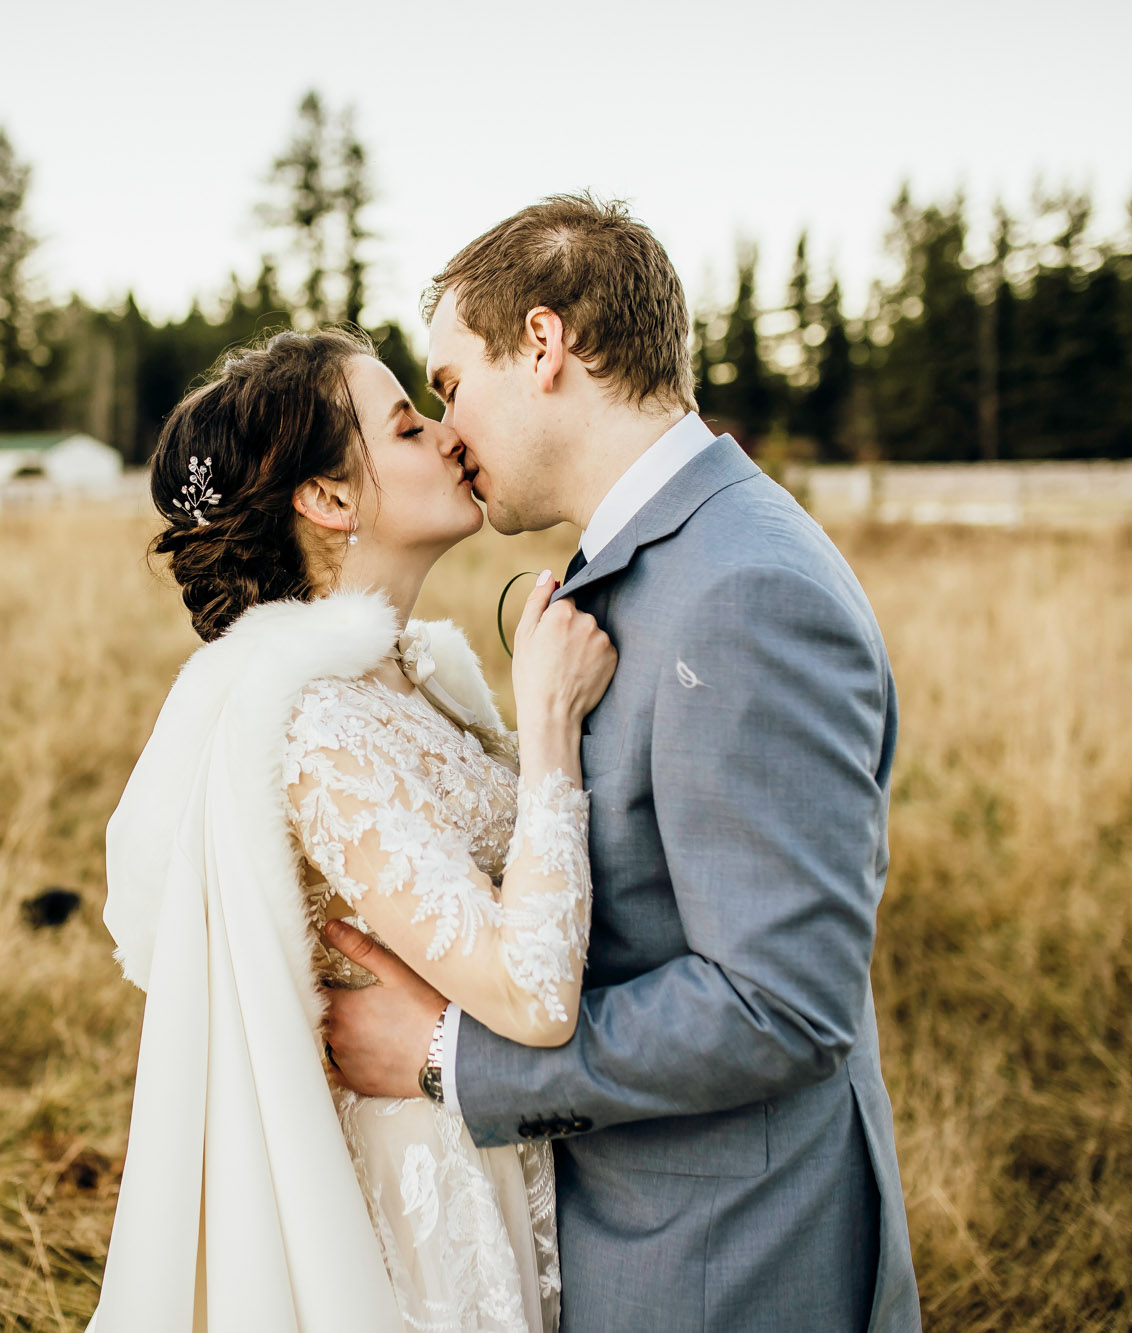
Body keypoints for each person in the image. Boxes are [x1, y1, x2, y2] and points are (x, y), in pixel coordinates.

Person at [319, 193, 921, 1332]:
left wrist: (453, 1059)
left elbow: (781, 1003)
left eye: (449, 385)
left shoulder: (743, 592)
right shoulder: (659, 558)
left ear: (541, 346)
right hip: (643, 1229)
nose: (446, 432)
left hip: (729, 1262)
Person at [90, 325, 617, 1332]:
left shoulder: (412, 678)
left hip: (494, 1144)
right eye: (408, 426)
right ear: (328, 500)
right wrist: (548, 730)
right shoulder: (319, 723)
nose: (450, 436)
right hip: (418, 1198)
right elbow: (531, 992)